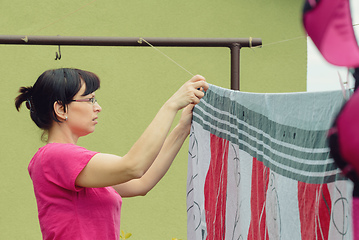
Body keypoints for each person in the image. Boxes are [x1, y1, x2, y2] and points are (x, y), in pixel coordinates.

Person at [15, 68, 208, 240]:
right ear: (60, 108)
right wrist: (171, 105)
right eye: (90, 99)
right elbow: (133, 166)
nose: (97, 107)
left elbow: (142, 183)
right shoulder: (55, 155)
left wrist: (182, 128)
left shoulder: (72, 163)